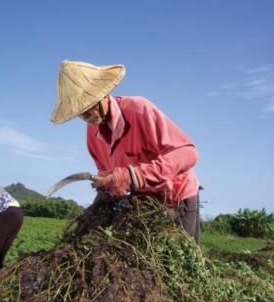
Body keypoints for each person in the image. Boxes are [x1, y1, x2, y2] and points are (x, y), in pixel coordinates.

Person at [50, 60, 200, 244]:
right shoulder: (92, 133)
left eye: (88, 104)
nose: (85, 115)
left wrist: (132, 176)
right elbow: (110, 177)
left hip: (176, 197)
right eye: (79, 111)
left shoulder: (139, 110)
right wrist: (104, 190)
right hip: (144, 202)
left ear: (103, 93)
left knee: (176, 263)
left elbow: (188, 153)